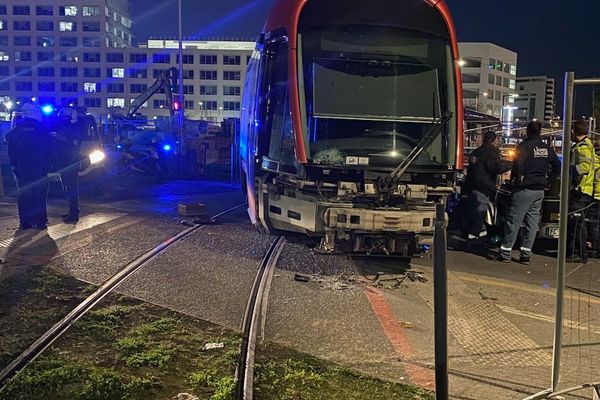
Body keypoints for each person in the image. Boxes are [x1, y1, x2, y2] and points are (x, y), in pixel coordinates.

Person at [497, 121, 561, 264]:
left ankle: (505, 252)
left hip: (524, 189)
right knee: (532, 223)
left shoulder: (524, 146)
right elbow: (557, 165)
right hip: (539, 190)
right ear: (539, 132)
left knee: (514, 220)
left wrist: (517, 180)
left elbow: (518, 164)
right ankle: (526, 253)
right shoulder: (546, 148)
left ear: (527, 131)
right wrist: (548, 180)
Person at [6, 102, 52, 230]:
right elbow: (49, 148)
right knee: (40, 195)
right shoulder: (41, 129)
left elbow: (11, 150)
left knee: (24, 195)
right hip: (39, 168)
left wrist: (14, 166)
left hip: (22, 168)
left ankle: (25, 222)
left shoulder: (16, 130)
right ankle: (40, 222)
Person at [463, 130, 512, 248]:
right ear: (494, 140)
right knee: (482, 211)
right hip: (486, 186)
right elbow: (496, 168)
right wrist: (511, 165)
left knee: (475, 211)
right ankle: (475, 237)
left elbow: (470, 170)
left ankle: (474, 235)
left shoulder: (475, 152)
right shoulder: (494, 152)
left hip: (473, 185)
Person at [566, 120, 600, 263]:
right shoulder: (587, 146)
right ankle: (578, 252)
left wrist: (572, 172)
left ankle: (579, 253)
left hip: (581, 190)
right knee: (580, 223)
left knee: (577, 224)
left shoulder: (582, 147)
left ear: (574, 131)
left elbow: (585, 167)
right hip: (585, 190)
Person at [55, 105, 81, 223]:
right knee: (68, 188)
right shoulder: (72, 128)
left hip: (69, 163)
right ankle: (72, 210)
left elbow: (67, 140)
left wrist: (56, 136)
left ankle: (74, 212)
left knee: (70, 188)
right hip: (68, 162)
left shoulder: (73, 129)